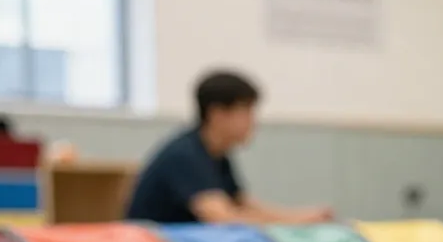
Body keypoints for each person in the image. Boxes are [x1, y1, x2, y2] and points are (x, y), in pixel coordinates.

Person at [126, 70, 332, 225]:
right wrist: (291, 224)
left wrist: (301, 217)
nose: (253, 122)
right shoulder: (184, 155)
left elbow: (243, 204)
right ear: (217, 114)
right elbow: (224, 219)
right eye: (246, 112)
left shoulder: (217, 154)